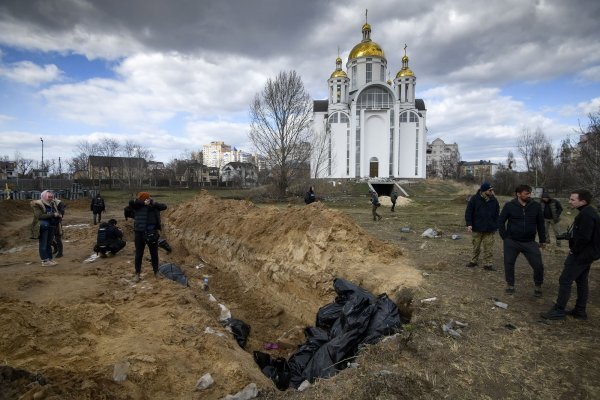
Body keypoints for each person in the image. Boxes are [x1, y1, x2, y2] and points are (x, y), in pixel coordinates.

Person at [541, 189, 600, 320]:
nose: (569, 201)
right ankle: (580, 310)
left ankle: (559, 310)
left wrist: (574, 250)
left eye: (573, 199)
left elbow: (584, 237)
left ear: (583, 201)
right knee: (581, 280)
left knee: (565, 280)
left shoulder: (587, 215)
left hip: (582, 255)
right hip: (587, 254)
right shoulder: (587, 212)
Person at [498, 184, 547, 297]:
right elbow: (500, 221)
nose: (529, 195)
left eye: (530, 193)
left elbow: (540, 224)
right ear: (518, 194)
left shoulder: (536, 206)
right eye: (526, 193)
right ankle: (510, 285)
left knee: (538, 265)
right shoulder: (509, 206)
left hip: (529, 242)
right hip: (512, 241)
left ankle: (538, 286)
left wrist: (542, 240)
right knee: (509, 264)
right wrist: (505, 237)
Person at [129, 192, 167, 282]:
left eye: (142, 198)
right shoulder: (137, 205)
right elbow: (131, 202)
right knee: (139, 254)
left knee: (154, 254)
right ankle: (137, 274)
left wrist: (153, 203)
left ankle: (156, 272)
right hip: (139, 233)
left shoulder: (153, 206)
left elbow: (164, 206)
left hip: (152, 233)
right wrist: (143, 203)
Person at [465, 182, 500, 270]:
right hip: (477, 228)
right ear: (484, 191)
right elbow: (468, 212)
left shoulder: (494, 200)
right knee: (476, 246)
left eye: (492, 190)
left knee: (488, 247)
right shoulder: (474, 199)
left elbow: (497, 214)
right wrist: (469, 224)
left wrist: (496, 225)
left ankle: (488, 264)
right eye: (490, 190)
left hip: (489, 229)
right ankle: (473, 261)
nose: (492, 191)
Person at [31, 190, 62, 266]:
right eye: (49, 197)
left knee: (49, 244)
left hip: (51, 225)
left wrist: (58, 215)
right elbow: (39, 216)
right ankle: (45, 261)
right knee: (43, 244)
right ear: (44, 196)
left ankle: (49, 259)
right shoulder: (37, 204)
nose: (51, 198)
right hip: (43, 226)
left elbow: (56, 212)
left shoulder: (52, 203)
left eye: (52, 197)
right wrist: (53, 215)